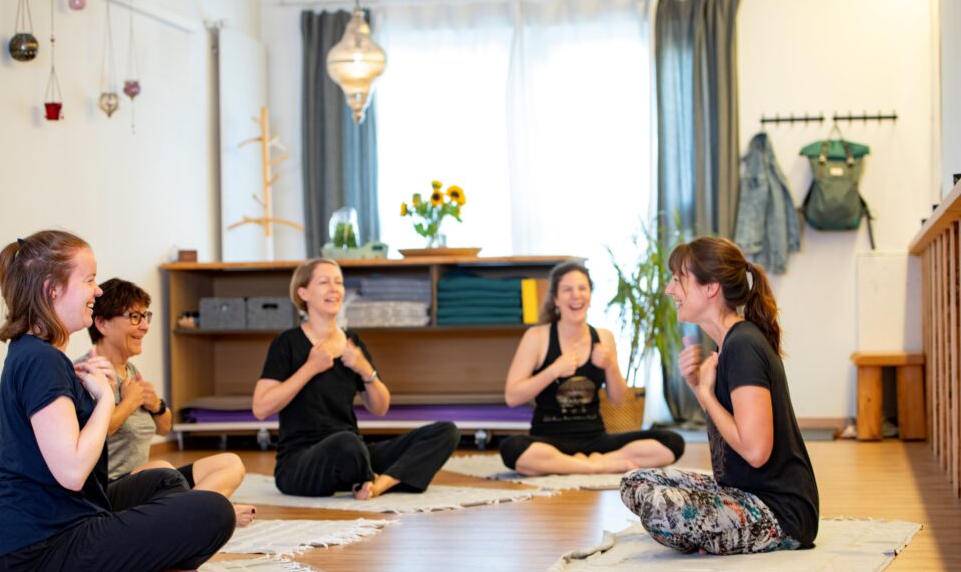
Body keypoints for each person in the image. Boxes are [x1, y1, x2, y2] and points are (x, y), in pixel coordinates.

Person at [0, 231, 235, 572]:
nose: (97, 291)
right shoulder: (41, 360)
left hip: (50, 531)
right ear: (52, 289)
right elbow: (71, 471)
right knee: (213, 512)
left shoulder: (36, 353)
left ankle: (139, 571)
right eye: (89, 280)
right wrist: (103, 399)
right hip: (32, 556)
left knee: (163, 480)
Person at [619, 236, 819, 555]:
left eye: (678, 279)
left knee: (660, 506)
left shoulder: (743, 345)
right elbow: (730, 425)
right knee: (635, 482)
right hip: (740, 494)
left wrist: (706, 394)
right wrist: (698, 386)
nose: (670, 290)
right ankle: (712, 537)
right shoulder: (728, 343)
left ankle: (710, 537)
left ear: (711, 287)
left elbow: (756, 452)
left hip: (780, 513)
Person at [252, 258, 460, 499]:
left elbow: (381, 407)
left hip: (353, 452)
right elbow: (261, 408)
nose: (334, 289)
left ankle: (379, 484)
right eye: (324, 282)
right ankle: (370, 478)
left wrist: (364, 369)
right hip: (300, 462)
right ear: (303, 293)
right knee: (346, 443)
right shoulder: (286, 343)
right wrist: (309, 368)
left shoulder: (352, 343)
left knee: (446, 431)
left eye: (339, 282)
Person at [79, 278, 256, 527]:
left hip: (146, 482)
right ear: (102, 324)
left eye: (145, 317)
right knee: (163, 469)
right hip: (107, 489)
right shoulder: (88, 372)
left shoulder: (131, 372)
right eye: (134, 317)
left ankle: (197, 514)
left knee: (230, 464)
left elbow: (164, 428)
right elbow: (94, 433)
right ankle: (209, 514)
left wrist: (157, 406)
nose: (144, 326)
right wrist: (129, 403)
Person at [501, 260, 685, 475]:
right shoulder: (537, 337)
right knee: (512, 449)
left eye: (582, 288)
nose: (576, 295)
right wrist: (553, 370)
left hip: (595, 439)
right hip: (549, 440)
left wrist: (610, 366)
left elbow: (618, 399)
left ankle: (577, 464)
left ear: (590, 295)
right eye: (567, 289)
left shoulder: (604, 337)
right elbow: (512, 397)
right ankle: (600, 466)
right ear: (555, 299)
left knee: (672, 442)